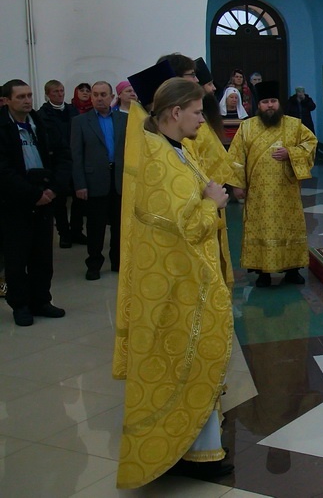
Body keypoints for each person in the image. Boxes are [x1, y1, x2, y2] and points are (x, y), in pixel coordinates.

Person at [113, 77, 234, 487]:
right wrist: (212, 204)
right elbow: (184, 228)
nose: (202, 119)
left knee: (192, 366)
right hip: (177, 287)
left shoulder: (175, 149)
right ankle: (187, 453)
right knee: (182, 365)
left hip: (189, 281)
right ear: (175, 112)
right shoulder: (161, 159)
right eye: (197, 112)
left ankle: (199, 448)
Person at [228, 80, 318, 287]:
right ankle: (263, 273)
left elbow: (311, 144)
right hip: (258, 194)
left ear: (279, 103)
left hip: (287, 192)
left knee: (289, 228)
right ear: (258, 105)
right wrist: (237, 184)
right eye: (265, 102)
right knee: (260, 229)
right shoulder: (246, 127)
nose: (270, 105)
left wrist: (291, 153)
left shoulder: (294, 125)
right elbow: (235, 157)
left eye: (273, 101)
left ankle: (292, 270)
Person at [0, 78, 71, 326]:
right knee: (17, 258)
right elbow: (3, 171)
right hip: (15, 203)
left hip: (46, 197)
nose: (27, 100)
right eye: (20, 97)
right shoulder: (3, 128)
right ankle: (20, 304)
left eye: (29, 95)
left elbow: (63, 157)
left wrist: (53, 189)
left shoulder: (42, 123)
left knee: (42, 256)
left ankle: (41, 300)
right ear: (6, 101)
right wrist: (33, 194)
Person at [185, 57, 237, 286]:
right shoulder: (186, 124)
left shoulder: (202, 119)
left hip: (212, 194)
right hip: (199, 198)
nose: (213, 88)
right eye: (208, 83)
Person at [71, 81, 127, 280]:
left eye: (103, 94)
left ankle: (118, 261)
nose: (99, 98)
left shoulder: (123, 119)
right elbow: (76, 155)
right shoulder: (80, 122)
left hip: (119, 179)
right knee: (96, 226)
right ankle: (94, 263)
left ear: (112, 97)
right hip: (94, 180)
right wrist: (80, 184)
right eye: (95, 94)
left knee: (119, 225)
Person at [37, 79, 85, 248]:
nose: (59, 94)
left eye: (61, 90)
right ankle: (64, 233)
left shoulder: (73, 110)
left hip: (75, 158)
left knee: (79, 198)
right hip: (57, 162)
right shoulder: (42, 114)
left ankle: (77, 231)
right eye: (55, 92)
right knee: (60, 200)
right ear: (47, 94)